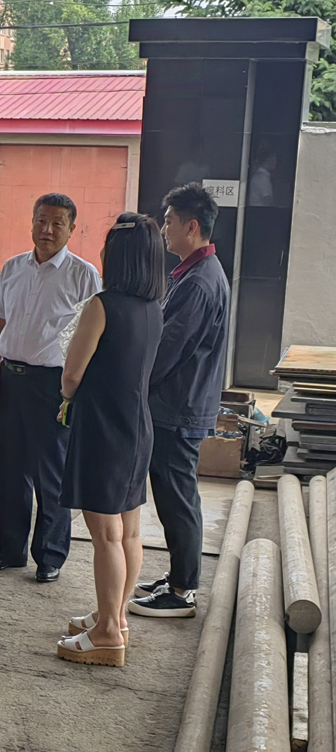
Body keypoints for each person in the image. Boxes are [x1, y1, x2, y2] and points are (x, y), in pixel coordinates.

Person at [55, 213, 164, 668]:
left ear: (116, 256)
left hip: (102, 426)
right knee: (129, 530)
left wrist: (67, 398)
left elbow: (72, 375)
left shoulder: (102, 305)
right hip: (137, 425)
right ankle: (115, 616)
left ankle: (106, 635)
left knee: (105, 536)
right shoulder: (153, 307)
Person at [0, 193, 101, 583]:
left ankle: (50, 555)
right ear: (31, 222)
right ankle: (9, 549)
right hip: (13, 379)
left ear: (71, 229)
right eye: (41, 221)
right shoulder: (14, 268)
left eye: (57, 223)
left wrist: (77, 394)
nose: (47, 230)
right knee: (11, 469)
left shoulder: (84, 276)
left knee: (52, 473)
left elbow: (93, 338)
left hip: (55, 386)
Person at [128, 183, 229, 619]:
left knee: (177, 497)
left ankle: (183, 589)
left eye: (169, 221)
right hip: (179, 404)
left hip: (177, 407)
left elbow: (168, 350)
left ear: (191, 227)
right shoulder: (194, 272)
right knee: (174, 495)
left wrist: (131, 384)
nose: (163, 228)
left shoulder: (199, 283)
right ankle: (178, 577)